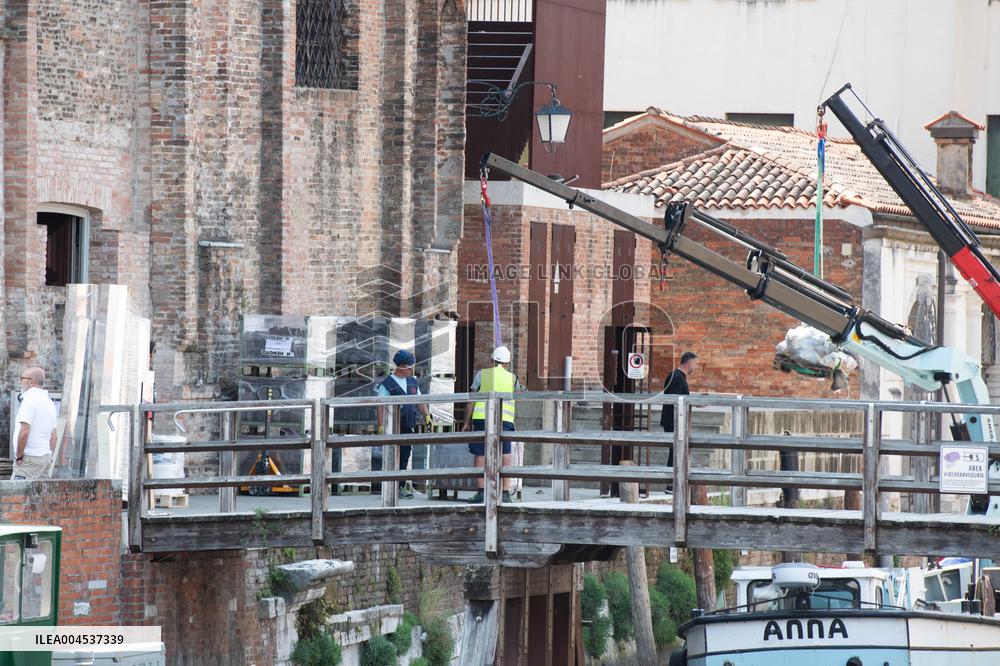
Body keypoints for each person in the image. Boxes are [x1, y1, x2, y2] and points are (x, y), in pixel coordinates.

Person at [462, 345, 525, 504]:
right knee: (506, 455)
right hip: (505, 420)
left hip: (482, 419)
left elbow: (471, 400)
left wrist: (466, 421)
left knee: (480, 454)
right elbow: (521, 394)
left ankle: (481, 492)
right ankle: (504, 493)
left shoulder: (481, 375)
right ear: (507, 363)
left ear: (492, 359)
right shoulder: (512, 378)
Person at [376, 350, 431, 499]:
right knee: (392, 456)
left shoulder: (412, 382)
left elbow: (419, 400)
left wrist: (427, 416)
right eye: (410, 367)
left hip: (408, 426)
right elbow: (380, 406)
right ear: (403, 367)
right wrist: (381, 426)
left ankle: (400, 486)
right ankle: (390, 487)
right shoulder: (386, 385)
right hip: (392, 427)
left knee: (405, 456)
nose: (411, 370)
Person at [11, 367, 58, 480]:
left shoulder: (29, 400)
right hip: (45, 458)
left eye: (22, 378)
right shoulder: (49, 403)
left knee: (16, 495)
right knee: (38, 496)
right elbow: (54, 437)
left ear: (32, 382)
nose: (20, 382)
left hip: (29, 459)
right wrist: (49, 455)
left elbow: (24, 433)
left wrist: (19, 456)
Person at [661, 351, 698, 491]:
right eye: (694, 364)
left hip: (674, 419)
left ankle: (672, 483)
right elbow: (676, 400)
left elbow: (683, 398)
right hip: (673, 420)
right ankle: (670, 484)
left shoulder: (677, 376)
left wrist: (695, 402)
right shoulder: (677, 377)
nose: (695, 367)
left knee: (676, 449)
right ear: (688, 363)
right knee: (675, 450)